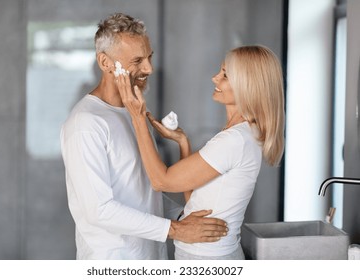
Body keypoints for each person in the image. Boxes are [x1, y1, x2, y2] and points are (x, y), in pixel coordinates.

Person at [60, 13, 228, 260]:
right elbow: (99, 210)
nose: (148, 68)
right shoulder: (85, 123)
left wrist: (183, 217)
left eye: (149, 57)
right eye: (137, 60)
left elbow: (145, 192)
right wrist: (178, 229)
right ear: (105, 63)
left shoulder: (134, 112)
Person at [116, 45, 285, 259]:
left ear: (247, 85)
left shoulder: (234, 140)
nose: (215, 78)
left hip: (208, 259)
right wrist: (183, 143)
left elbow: (161, 181)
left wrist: (137, 117)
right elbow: (195, 204)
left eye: (225, 74)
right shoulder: (241, 134)